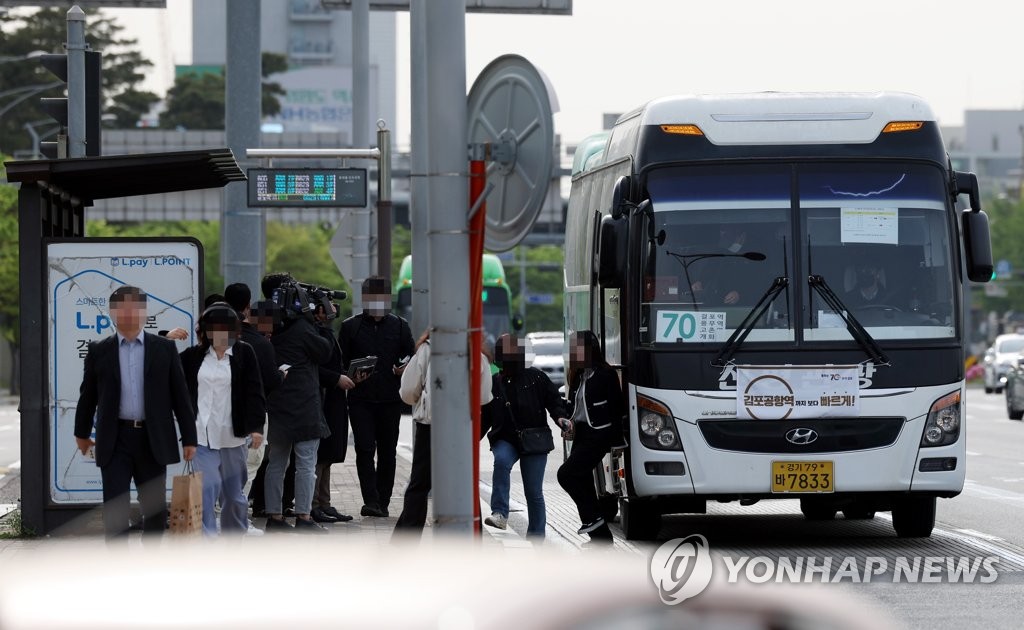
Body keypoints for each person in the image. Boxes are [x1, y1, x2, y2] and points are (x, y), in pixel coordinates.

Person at [73, 285, 198, 540]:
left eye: (135, 308)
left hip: (152, 439)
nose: (129, 314)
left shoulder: (164, 348)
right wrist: (81, 434)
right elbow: (88, 396)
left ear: (144, 312)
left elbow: (180, 396)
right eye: (123, 308)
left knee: (153, 510)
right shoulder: (99, 350)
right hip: (115, 438)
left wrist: (189, 438)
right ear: (112, 312)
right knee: (115, 507)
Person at [392, 330, 493, 535]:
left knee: (419, 486)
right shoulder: (476, 353)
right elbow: (483, 396)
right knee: (466, 484)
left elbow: (408, 391)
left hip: (430, 426)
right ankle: (473, 537)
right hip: (462, 428)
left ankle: (405, 542)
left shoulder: (427, 349)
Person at [179, 303, 266, 537]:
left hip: (232, 435)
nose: (220, 335)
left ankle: (234, 537)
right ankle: (207, 539)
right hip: (201, 435)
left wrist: (256, 428)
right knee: (207, 488)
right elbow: (165, 370)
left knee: (234, 495)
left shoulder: (244, 353)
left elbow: (254, 392)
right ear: (205, 332)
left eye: (226, 329)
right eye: (214, 329)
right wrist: (166, 338)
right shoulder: (193, 356)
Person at [261, 272, 333, 533]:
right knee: (305, 464)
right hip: (303, 403)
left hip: (276, 403)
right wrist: (325, 321)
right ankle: (303, 517)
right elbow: (325, 352)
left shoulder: (265, 322)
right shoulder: (302, 327)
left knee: (276, 463)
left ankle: (275, 517)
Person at [339, 276, 415, 518]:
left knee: (387, 451)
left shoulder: (400, 326)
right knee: (363, 449)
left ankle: (382, 501)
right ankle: (370, 499)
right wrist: (349, 374)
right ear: (365, 299)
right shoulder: (351, 327)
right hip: (360, 398)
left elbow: (410, 355)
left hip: (390, 399)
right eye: (372, 298)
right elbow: (340, 362)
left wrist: (403, 367)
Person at [484, 333, 568, 538]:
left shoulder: (537, 377)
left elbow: (554, 402)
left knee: (533, 491)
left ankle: (537, 536)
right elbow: (485, 416)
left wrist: (561, 419)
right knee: (502, 462)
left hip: (534, 439)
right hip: (505, 438)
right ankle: (500, 513)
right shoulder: (494, 382)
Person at [556, 330, 626, 545]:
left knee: (565, 475)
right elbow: (574, 407)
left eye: (577, 349)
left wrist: (617, 441)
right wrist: (567, 423)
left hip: (599, 435)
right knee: (583, 480)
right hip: (581, 435)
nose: (573, 353)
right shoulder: (577, 375)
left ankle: (594, 519)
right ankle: (600, 536)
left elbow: (617, 409)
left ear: (590, 350)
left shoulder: (606, 374)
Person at [223, 286, 282, 520]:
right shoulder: (259, 344)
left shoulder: (221, 338)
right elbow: (269, 380)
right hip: (252, 414)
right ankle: (235, 518)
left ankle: (221, 514)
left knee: (225, 465)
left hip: (221, 412)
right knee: (249, 465)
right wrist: (281, 376)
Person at [311, 301, 358, 524]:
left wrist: (347, 375)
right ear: (319, 311)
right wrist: (336, 378)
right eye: (329, 305)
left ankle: (324, 502)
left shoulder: (326, 331)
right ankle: (312, 504)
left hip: (333, 398)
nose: (334, 309)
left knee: (328, 455)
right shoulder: (311, 332)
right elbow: (312, 367)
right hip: (322, 398)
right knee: (320, 454)